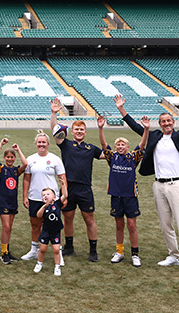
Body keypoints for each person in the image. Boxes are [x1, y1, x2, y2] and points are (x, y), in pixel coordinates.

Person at [114, 90, 179, 275]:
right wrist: (121, 109)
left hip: (177, 185)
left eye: (169, 121)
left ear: (173, 122)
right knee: (166, 224)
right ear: (160, 124)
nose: (166, 124)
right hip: (159, 186)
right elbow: (136, 128)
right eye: (163, 121)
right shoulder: (154, 136)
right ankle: (174, 255)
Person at [50, 98, 103, 262]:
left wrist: (101, 129)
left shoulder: (91, 148)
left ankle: (93, 250)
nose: (79, 131)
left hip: (85, 189)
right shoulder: (65, 144)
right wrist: (53, 113)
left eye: (82, 129)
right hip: (68, 188)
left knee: (89, 218)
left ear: (85, 132)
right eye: (76, 129)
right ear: (72, 132)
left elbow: (106, 155)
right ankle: (70, 247)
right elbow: (54, 130)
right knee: (68, 218)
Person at [98, 114, 149, 268]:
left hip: (130, 196)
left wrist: (146, 129)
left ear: (127, 147)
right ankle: (119, 252)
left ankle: (135, 254)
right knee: (119, 225)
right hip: (116, 196)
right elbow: (103, 144)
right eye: (118, 145)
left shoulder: (133, 157)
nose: (120, 147)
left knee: (131, 225)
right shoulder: (111, 157)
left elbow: (142, 145)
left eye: (123, 145)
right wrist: (100, 128)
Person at [22, 130, 68, 264]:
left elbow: (62, 178)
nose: (41, 144)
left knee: (54, 225)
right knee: (35, 225)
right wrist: (25, 196)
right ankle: (34, 251)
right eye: (39, 142)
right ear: (36, 144)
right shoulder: (30, 159)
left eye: (44, 142)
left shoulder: (55, 159)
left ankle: (58, 253)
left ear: (48, 143)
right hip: (35, 198)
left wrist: (65, 196)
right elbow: (26, 179)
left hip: (52, 199)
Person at [0, 138, 27, 265]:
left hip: (13, 203)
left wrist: (18, 150)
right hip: (3, 202)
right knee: (6, 227)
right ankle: (3, 253)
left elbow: (25, 164)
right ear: (5, 158)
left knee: (9, 228)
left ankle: (7, 250)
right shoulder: (1, 169)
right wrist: (1, 144)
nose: (10, 159)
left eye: (12, 157)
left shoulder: (15, 171)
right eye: (7, 157)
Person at [33, 188, 64, 277]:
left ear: (54, 197)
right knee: (42, 249)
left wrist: (63, 185)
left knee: (56, 250)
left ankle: (57, 266)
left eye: (48, 194)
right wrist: (44, 206)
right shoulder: (43, 207)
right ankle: (39, 263)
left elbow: (65, 195)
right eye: (43, 195)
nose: (45, 196)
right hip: (46, 231)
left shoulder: (57, 204)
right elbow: (38, 215)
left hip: (56, 231)